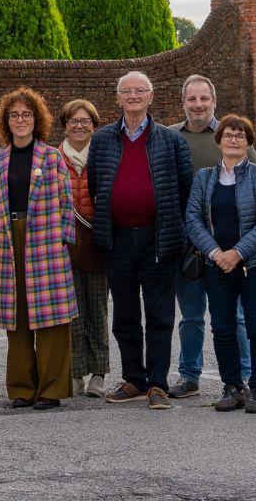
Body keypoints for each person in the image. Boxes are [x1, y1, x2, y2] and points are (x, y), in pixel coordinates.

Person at [88, 71, 194, 409]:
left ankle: (158, 384)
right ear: (118, 97)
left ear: (151, 96)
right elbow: (95, 186)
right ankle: (134, 379)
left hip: (159, 238)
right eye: (127, 91)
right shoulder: (102, 140)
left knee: (160, 313)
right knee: (125, 314)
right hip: (117, 238)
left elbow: (186, 191)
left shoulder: (171, 140)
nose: (133, 96)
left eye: (140, 90)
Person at [0, 88, 76, 409]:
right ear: (6, 121)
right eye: (14, 115)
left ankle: (51, 389)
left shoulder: (51, 156)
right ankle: (22, 387)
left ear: (36, 119)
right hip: (8, 238)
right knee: (16, 317)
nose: (20, 120)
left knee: (51, 318)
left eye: (26, 115)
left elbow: (66, 203)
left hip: (47, 242)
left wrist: (64, 243)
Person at [167, 74, 256, 399]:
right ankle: (189, 375)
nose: (198, 104)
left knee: (236, 317)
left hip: (229, 247)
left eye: (204, 98)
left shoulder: (231, 135)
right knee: (191, 317)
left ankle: (242, 376)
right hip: (188, 246)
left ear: (214, 101)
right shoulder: (170, 137)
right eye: (192, 99)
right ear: (183, 102)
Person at [184, 114, 256, 414]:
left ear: (248, 142)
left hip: (255, 266)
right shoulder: (204, 178)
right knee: (222, 327)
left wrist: (237, 253)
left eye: (240, 135)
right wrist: (215, 253)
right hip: (216, 266)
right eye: (228, 135)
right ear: (219, 140)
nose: (233, 140)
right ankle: (232, 387)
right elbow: (193, 219)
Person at [57, 98, 109, 398]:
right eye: (73, 121)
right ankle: (75, 372)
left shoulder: (103, 155)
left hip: (96, 243)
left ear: (94, 126)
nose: (79, 126)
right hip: (64, 244)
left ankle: (99, 373)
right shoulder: (53, 158)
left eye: (85, 121)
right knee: (72, 313)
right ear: (65, 126)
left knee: (97, 311)